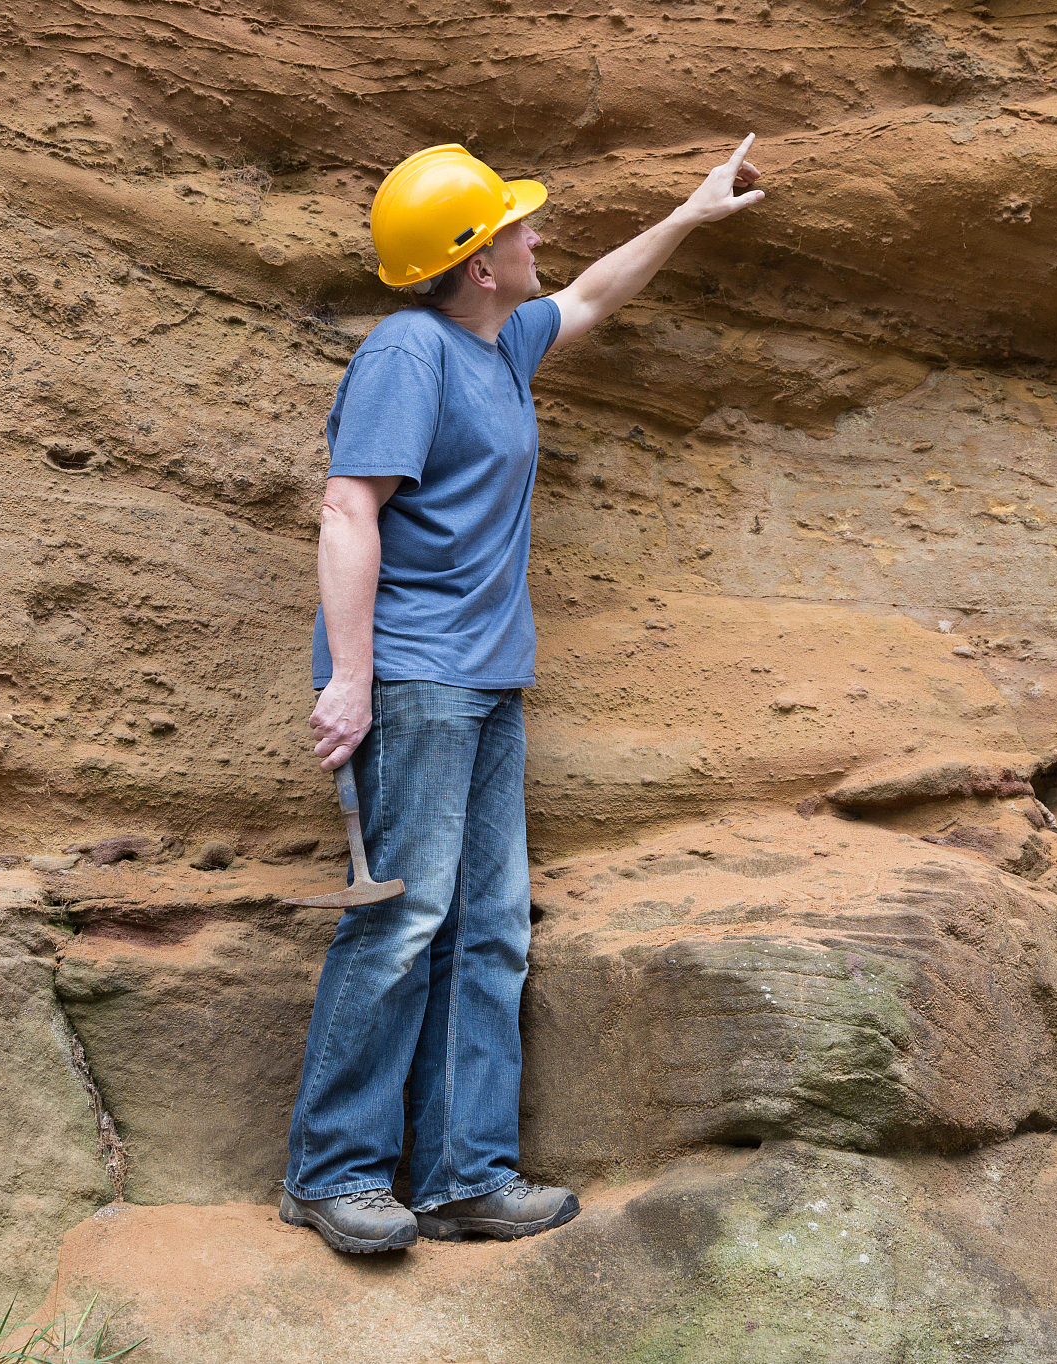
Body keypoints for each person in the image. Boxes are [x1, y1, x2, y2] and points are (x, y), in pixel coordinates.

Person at [282, 136, 764, 1253]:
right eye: (516, 227)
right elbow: (348, 510)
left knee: (487, 930)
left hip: (487, 683)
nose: (537, 235)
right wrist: (350, 681)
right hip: (414, 682)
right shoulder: (409, 352)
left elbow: (592, 295)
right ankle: (332, 1173)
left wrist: (690, 214)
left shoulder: (497, 344)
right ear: (477, 262)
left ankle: (460, 1178)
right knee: (400, 924)